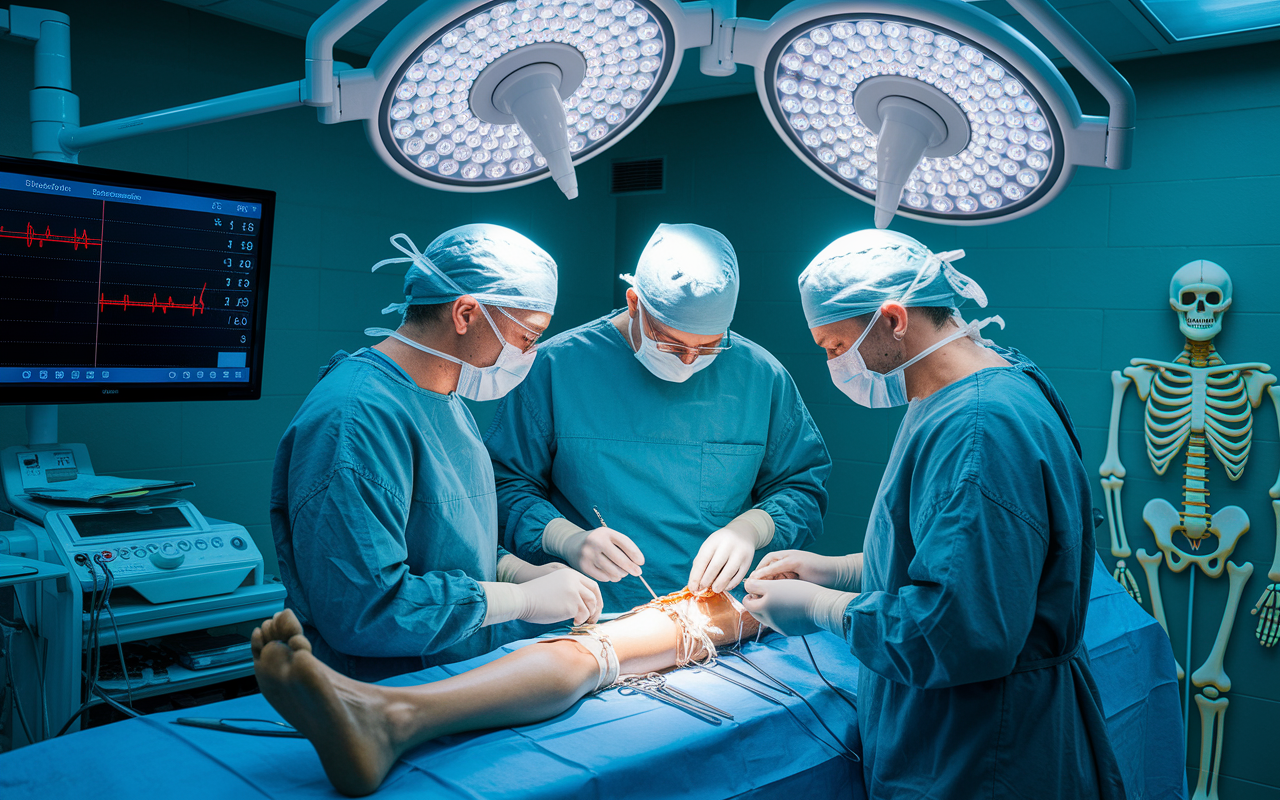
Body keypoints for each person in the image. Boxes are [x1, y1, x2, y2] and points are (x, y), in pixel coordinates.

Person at [742, 229, 1125, 799]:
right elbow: (968, 553)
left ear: (894, 320)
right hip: (969, 735)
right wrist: (844, 570)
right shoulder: (961, 387)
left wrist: (825, 608)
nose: (834, 363)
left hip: (984, 753)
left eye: (834, 345)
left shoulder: (980, 427)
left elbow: (960, 631)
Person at [271, 225, 602, 682]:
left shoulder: (444, 400)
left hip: (455, 675)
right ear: (465, 313)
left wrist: (518, 573)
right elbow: (363, 609)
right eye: (527, 336)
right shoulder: (355, 419)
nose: (529, 353)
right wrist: (520, 602)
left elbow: (448, 541)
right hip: (381, 693)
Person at [485, 223, 831, 610]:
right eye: (671, 342)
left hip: (713, 621)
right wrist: (563, 537)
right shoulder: (554, 368)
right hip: (582, 618)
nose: (688, 360)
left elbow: (801, 489)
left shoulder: (761, 378)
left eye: (709, 347)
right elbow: (505, 485)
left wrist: (752, 529)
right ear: (635, 303)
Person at [251, 590, 760, 797]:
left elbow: (753, 606)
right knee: (584, 653)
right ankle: (383, 713)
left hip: (708, 624)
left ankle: (392, 716)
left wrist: (825, 590)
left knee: (588, 656)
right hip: (618, 614)